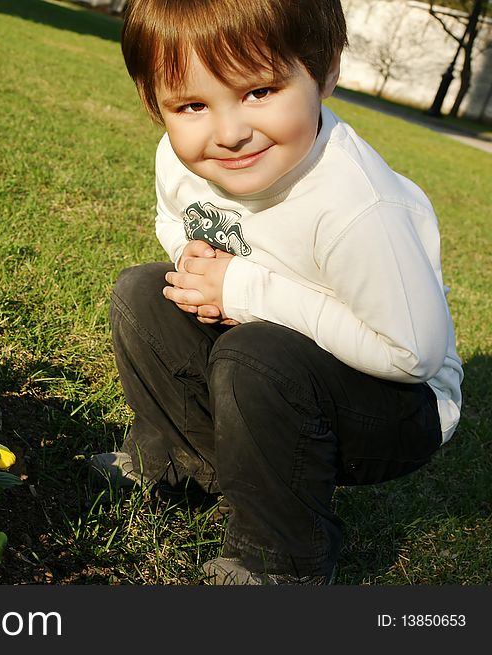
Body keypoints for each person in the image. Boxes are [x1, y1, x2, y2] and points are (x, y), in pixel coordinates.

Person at [92, 0, 463, 585]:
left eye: (259, 91)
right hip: (274, 345)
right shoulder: (180, 157)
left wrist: (246, 291)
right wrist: (193, 263)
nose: (231, 133)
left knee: (258, 355)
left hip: (397, 406)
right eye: (191, 105)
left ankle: (281, 562)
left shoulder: (353, 203)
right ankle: (181, 465)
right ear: (153, 102)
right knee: (143, 292)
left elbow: (409, 354)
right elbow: (176, 222)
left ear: (324, 71)